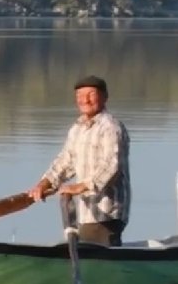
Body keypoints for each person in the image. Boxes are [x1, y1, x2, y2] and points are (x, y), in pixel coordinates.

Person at [27, 75, 131, 246]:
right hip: (86, 212)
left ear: (105, 97)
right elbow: (65, 162)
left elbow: (112, 167)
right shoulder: (78, 128)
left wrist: (79, 187)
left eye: (91, 94)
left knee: (95, 261)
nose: (85, 100)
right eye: (80, 96)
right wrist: (44, 184)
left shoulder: (111, 127)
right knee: (85, 253)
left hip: (106, 211)